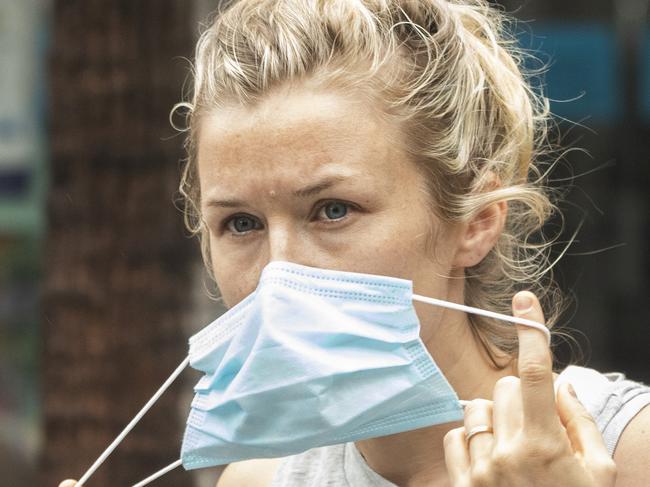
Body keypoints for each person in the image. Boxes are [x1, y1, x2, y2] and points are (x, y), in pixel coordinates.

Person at [60, 0, 650, 486]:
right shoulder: (257, 480)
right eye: (241, 224)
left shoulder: (623, 450)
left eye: (332, 210)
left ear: (476, 222)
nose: (278, 274)